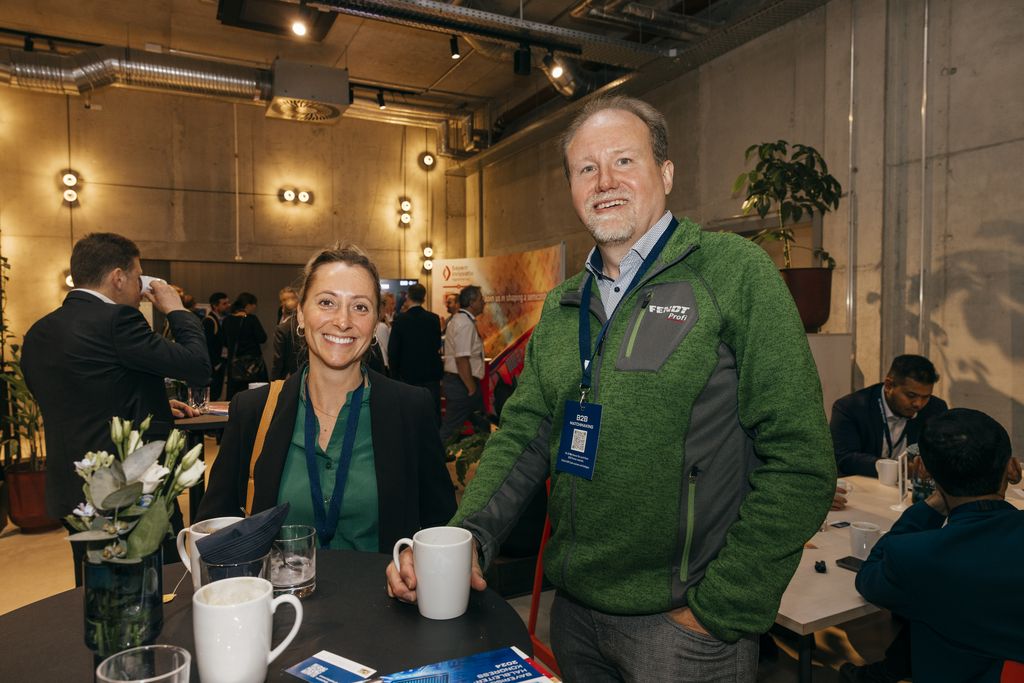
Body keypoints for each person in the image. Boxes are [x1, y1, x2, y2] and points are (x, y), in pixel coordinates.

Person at [387, 96, 835, 682]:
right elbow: (525, 434)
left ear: (666, 173)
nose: (605, 182)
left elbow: (800, 458)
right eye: (586, 168)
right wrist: (466, 537)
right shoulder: (565, 301)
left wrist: (722, 607)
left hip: (684, 630)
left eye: (624, 161)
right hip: (573, 617)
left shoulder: (733, 272)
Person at [198, 244, 456, 551]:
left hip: (381, 597)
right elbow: (214, 529)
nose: (343, 321)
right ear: (301, 315)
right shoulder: (254, 411)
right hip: (280, 597)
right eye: (327, 302)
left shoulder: (411, 409)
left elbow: (443, 530)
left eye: (360, 307)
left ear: (375, 324)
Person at [21, 232, 210, 583]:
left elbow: (79, 397)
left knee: (95, 591)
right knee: (156, 589)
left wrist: (150, 400)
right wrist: (177, 310)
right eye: (138, 277)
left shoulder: (38, 333)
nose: (141, 289)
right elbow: (197, 366)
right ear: (118, 277)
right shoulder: (117, 321)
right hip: (127, 494)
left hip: (73, 490)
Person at [852, 409, 1023, 683]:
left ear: (924, 470)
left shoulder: (917, 556)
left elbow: (869, 579)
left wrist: (932, 505)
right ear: (1012, 467)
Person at [831, 355, 949, 477]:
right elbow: (844, 458)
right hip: (866, 483)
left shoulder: (935, 408)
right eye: (911, 395)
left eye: (926, 397)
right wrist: (899, 468)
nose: (918, 404)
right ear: (888, 385)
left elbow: (942, 453)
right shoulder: (851, 408)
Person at [439, 285, 490, 442]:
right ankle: (429, 461)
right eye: (481, 299)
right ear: (472, 302)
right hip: (462, 384)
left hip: (462, 382)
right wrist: (471, 388)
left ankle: (487, 456)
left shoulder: (461, 320)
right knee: (450, 429)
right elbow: (461, 359)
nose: (484, 303)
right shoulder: (464, 323)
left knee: (481, 423)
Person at [387, 283, 444, 421]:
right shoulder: (434, 319)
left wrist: (394, 375)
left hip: (408, 376)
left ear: (408, 297)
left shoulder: (400, 320)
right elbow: (437, 344)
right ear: (424, 298)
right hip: (431, 375)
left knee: (410, 416)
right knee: (431, 416)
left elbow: (393, 350)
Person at [222, 292, 268, 399]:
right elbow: (262, 338)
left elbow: (224, 342)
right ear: (248, 305)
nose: (255, 307)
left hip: (234, 366)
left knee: (234, 397)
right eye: (254, 305)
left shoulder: (227, 320)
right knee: (254, 396)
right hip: (252, 366)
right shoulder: (251, 319)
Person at [204, 291, 230, 400]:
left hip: (219, 363)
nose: (228, 306)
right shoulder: (209, 321)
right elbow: (207, 345)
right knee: (213, 395)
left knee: (217, 393)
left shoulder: (220, 319)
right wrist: (216, 363)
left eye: (227, 303)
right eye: (224, 304)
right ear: (215, 306)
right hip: (214, 366)